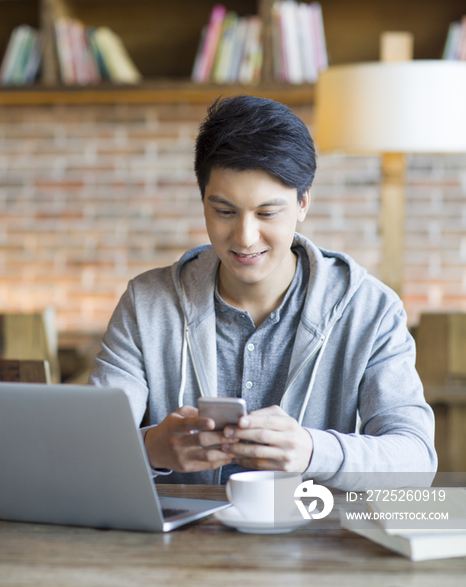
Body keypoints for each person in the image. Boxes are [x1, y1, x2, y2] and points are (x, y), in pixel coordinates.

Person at [89, 95, 436, 488]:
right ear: (203, 201)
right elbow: (88, 449)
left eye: (267, 213)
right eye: (224, 211)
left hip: (313, 540)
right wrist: (151, 448)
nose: (244, 237)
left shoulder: (370, 309)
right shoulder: (146, 303)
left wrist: (310, 451)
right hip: (179, 545)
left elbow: (417, 460)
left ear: (303, 202)